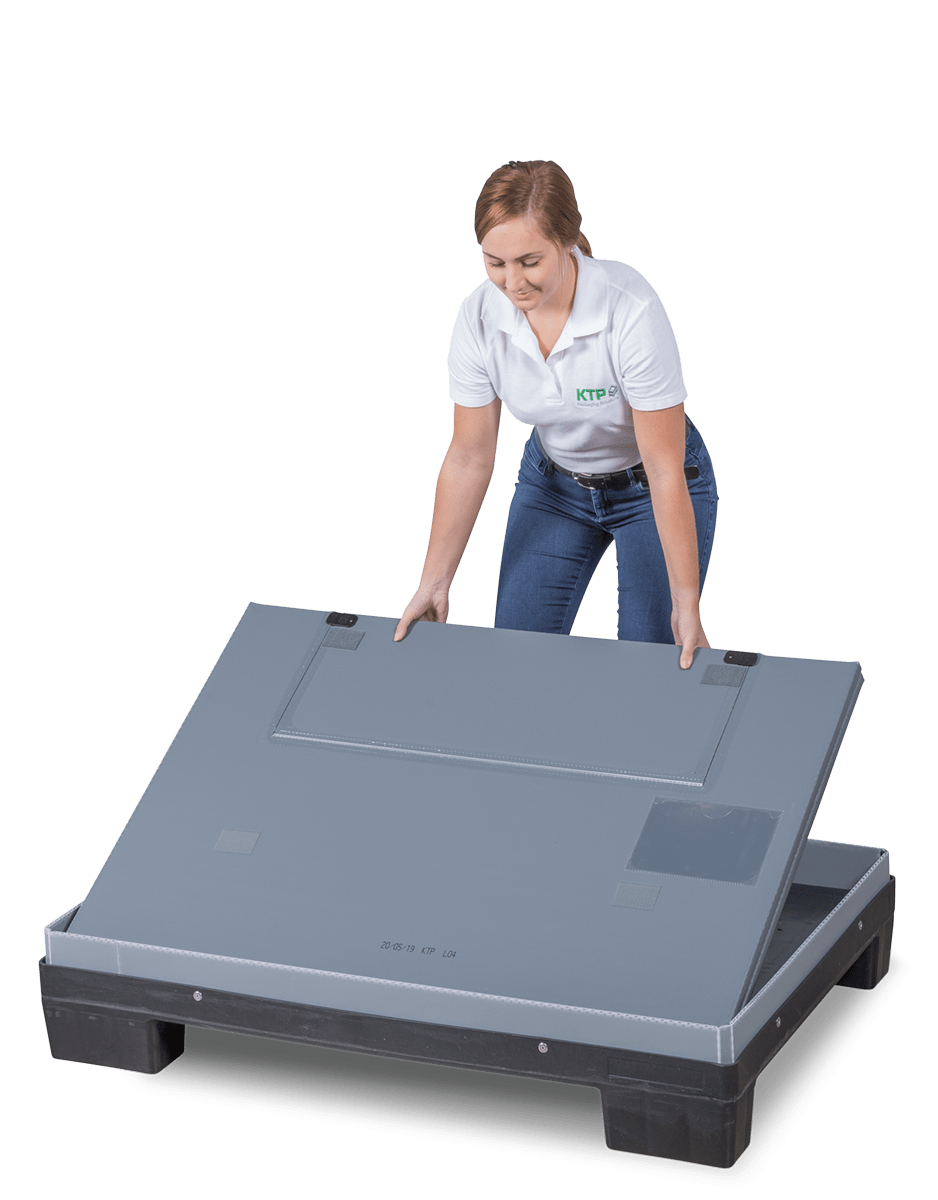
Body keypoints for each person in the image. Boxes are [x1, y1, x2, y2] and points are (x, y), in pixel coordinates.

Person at [394, 160, 717, 669]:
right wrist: (433, 582)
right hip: (554, 487)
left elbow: (663, 467)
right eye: (495, 262)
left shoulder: (629, 308)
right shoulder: (478, 318)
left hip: (650, 483)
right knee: (515, 660)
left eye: (529, 261)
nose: (513, 282)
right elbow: (469, 457)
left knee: (651, 664)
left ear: (567, 242)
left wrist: (685, 602)